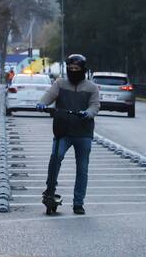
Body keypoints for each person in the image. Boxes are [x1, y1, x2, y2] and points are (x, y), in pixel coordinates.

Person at [36, 54, 100, 215]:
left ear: (83, 70)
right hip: (62, 131)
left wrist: (88, 113)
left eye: (76, 69)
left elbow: (95, 105)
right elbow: (49, 95)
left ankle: (78, 203)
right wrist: (42, 104)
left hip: (83, 132)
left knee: (82, 168)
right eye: (70, 69)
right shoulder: (60, 83)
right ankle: (50, 189)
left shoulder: (91, 87)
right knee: (55, 157)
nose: (73, 71)